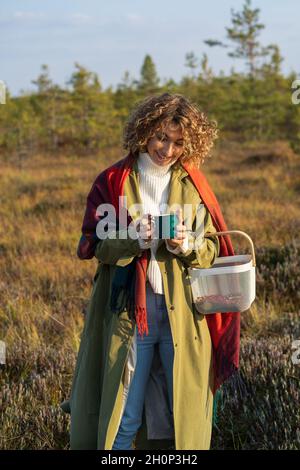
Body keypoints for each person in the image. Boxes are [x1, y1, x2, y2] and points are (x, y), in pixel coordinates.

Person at [60, 92, 240, 450]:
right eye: (161, 137)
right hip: (129, 312)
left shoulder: (193, 184)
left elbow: (211, 250)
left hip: (184, 315)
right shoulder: (113, 180)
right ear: (144, 131)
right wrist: (131, 238)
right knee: (124, 412)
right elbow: (92, 245)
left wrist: (187, 245)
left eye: (177, 142)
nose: (167, 149)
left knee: (181, 415)